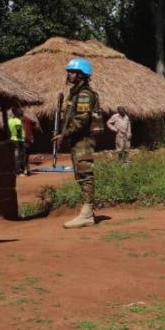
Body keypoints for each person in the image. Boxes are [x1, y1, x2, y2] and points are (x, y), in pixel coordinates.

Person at [54, 57, 99, 229]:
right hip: (76, 140)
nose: (69, 74)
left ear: (82, 74)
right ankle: (87, 212)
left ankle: (87, 214)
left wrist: (63, 135)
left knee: (85, 174)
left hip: (83, 141)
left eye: (73, 71)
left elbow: (81, 119)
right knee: (80, 175)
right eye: (69, 71)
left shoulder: (85, 94)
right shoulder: (75, 92)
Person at [7, 107, 29, 176]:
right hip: (19, 140)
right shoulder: (18, 121)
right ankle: (19, 171)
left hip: (12, 139)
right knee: (20, 156)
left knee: (14, 155)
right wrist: (24, 140)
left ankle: (15, 170)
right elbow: (19, 132)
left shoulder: (9, 121)